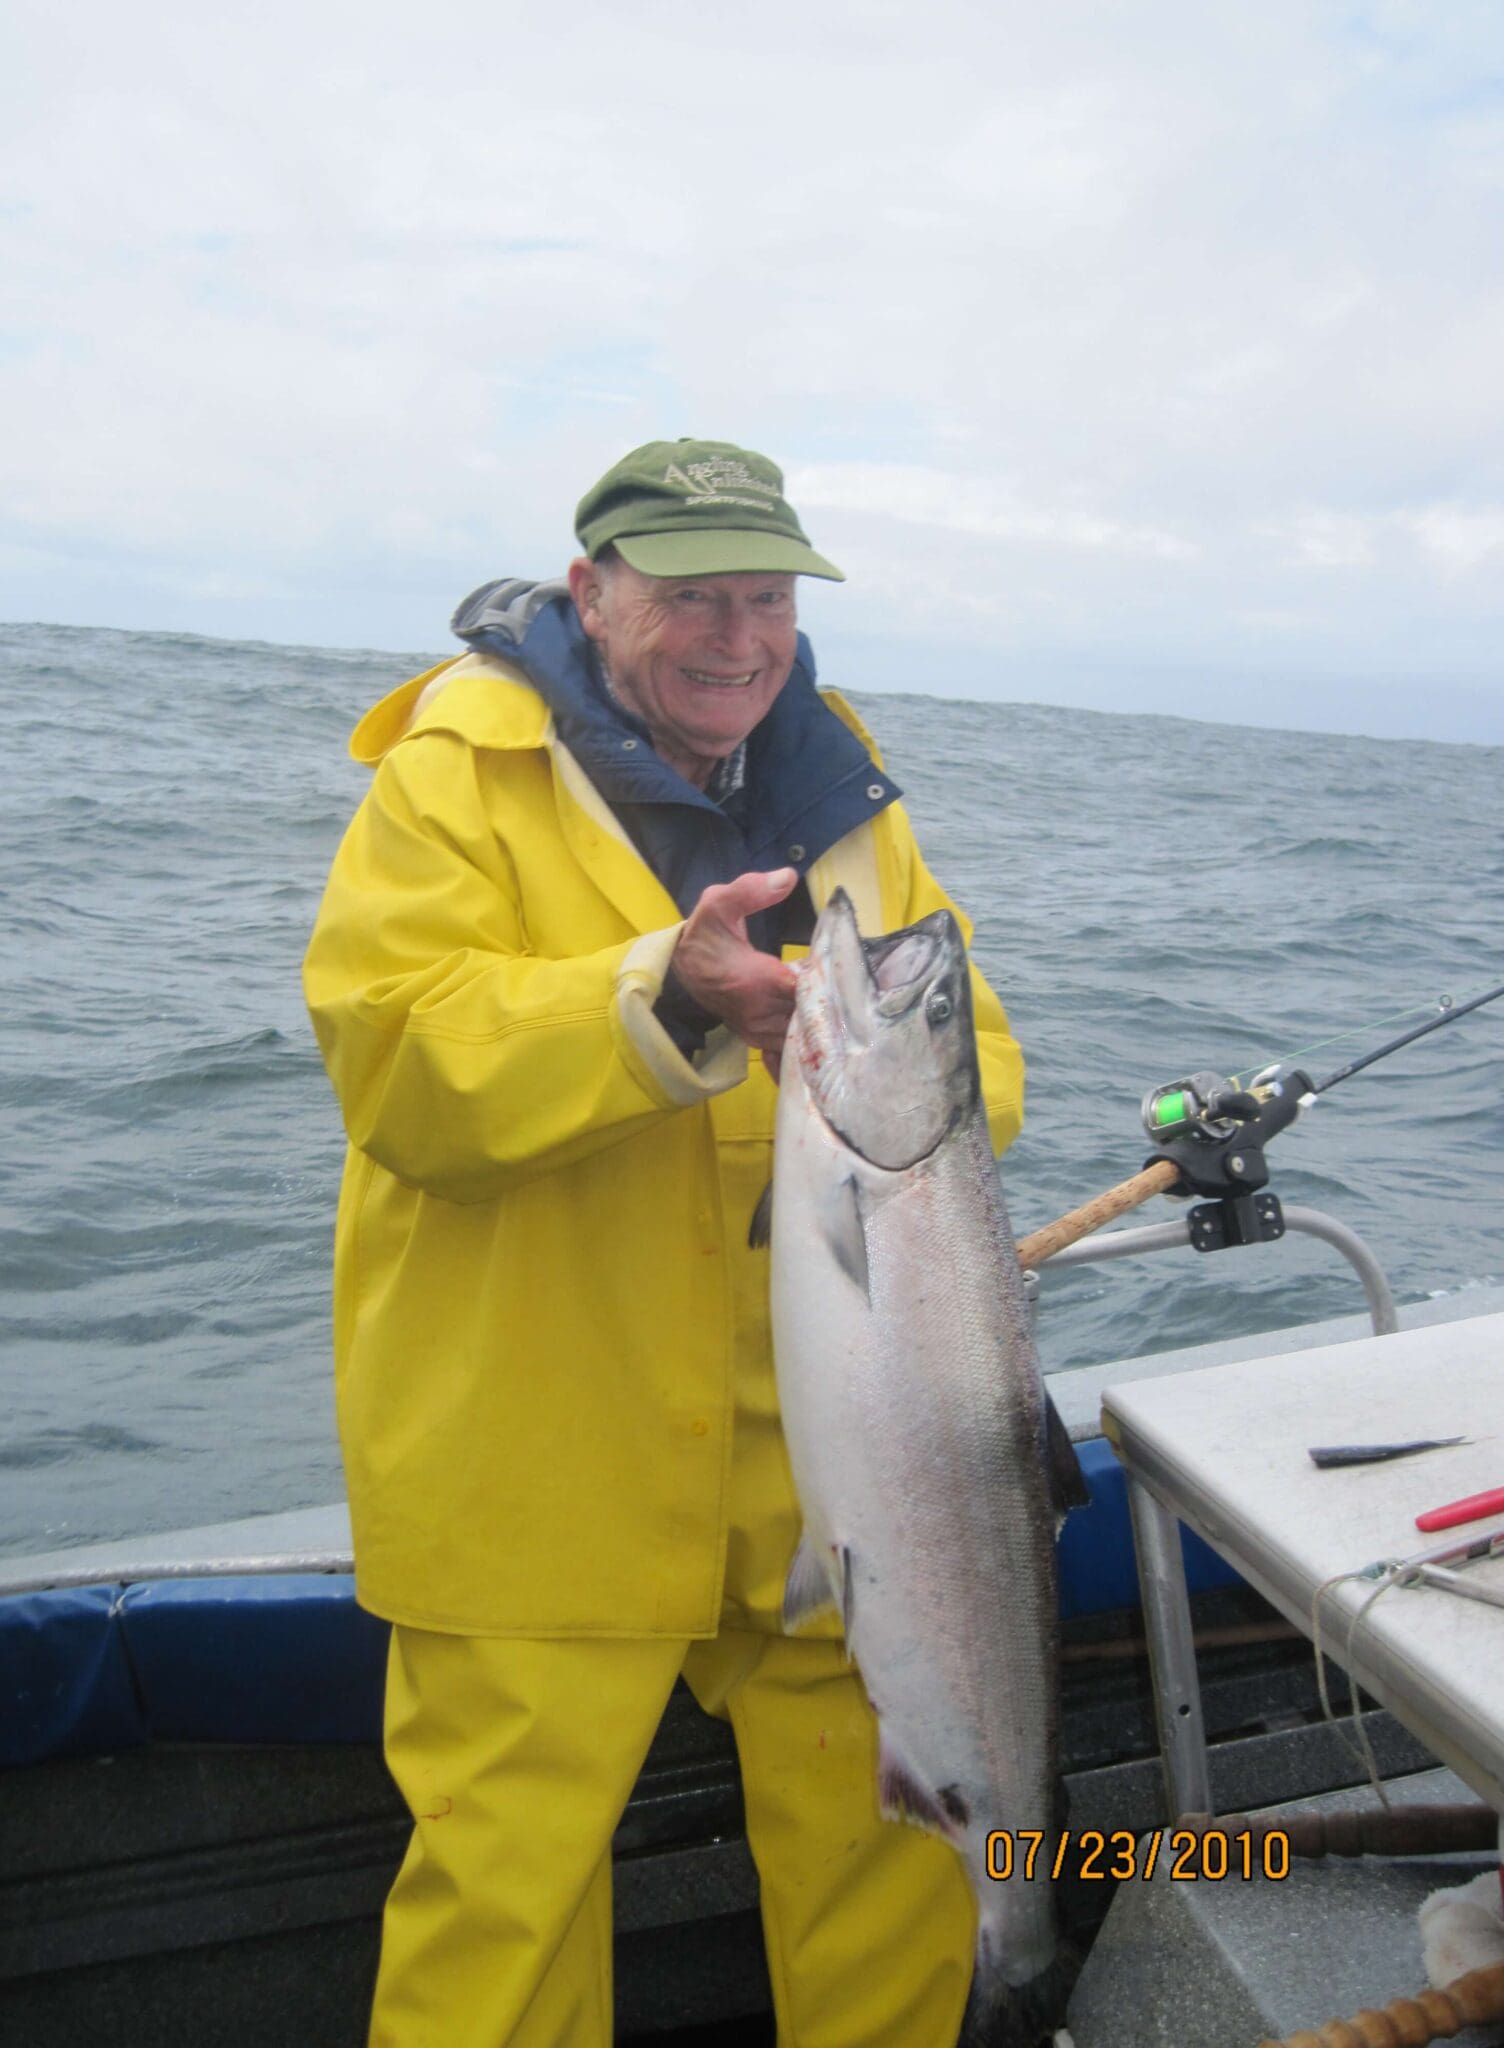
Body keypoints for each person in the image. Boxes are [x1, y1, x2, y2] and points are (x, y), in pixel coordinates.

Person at [303, 438, 1026, 2047]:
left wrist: (857, 1069)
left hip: (834, 1479)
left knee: (897, 1879)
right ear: (591, 592)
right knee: (500, 1915)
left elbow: (977, 1050)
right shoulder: (454, 768)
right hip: (535, 1462)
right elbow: (400, 1061)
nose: (737, 638)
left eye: (766, 597)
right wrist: (669, 998)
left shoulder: (838, 780)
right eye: (692, 597)